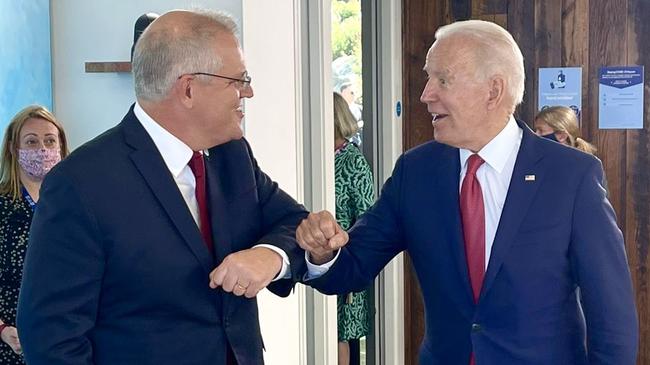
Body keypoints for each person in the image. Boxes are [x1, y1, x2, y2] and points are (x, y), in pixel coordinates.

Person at [297, 20, 638, 364]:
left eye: (442, 80)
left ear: (494, 90)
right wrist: (323, 254)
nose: (426, 94)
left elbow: (612, 317)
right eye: (429, 78)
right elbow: (352, 266)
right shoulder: (415, 173)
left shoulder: (571, 176)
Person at [17, 9, 308, 365]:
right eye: (238, 80)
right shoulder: (80, 184)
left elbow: (297, 224)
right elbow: (50, 339)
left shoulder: (233, 157)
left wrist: (270, 257)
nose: (248, 92)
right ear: (188, 89)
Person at [0, 105, 68, 364]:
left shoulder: (76, 202)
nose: (42, 149)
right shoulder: (3, 205)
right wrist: (3, 329)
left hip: (67, 339)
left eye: (50, 140)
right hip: (12, 342)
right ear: (12, 149)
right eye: (31, 141)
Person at [333, 92, 374, 365]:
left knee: (343, 335)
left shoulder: (352, 161)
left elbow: (367, 215)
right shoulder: (318, 158)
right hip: (319, 260)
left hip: (347, 261)